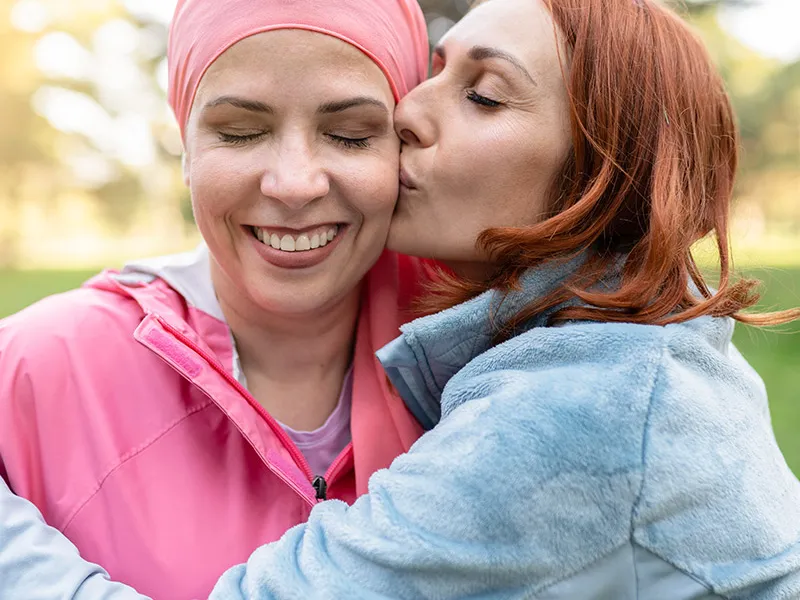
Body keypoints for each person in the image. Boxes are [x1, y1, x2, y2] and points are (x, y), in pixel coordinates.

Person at [4, 0, 800, 598]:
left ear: (601, 168)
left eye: (481, 96)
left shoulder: (588, 402)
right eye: (239, 132)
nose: (410, 113)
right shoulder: (618, 335)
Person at [0, 0, 429, 598]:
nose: (295, 183)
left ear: (405, 148)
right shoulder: (34, 367)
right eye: (241, 133)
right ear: (187, 147)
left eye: (350, 135)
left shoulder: (495, 354)